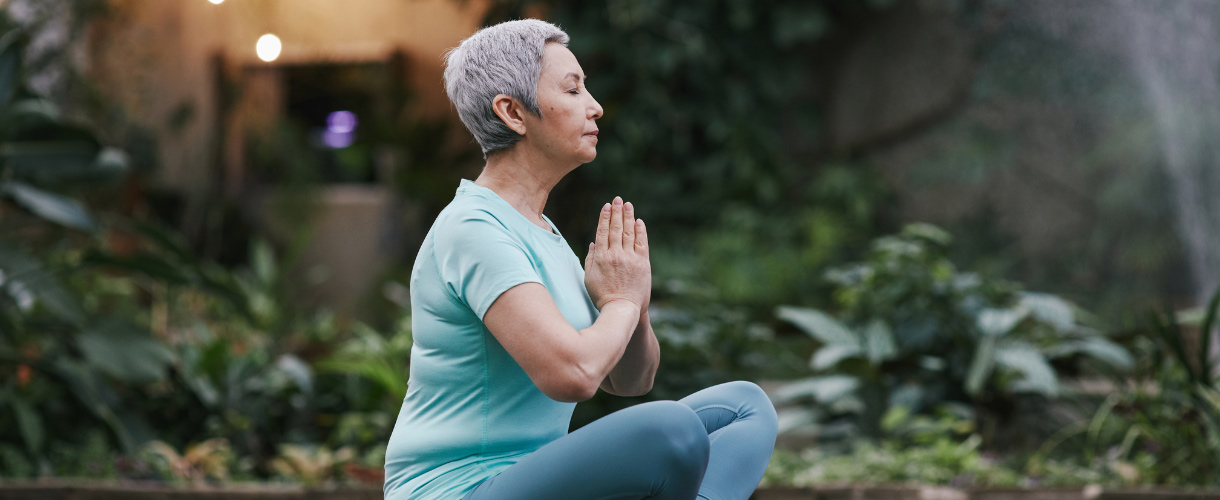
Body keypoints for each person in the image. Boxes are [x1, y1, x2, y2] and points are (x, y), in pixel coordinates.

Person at [383, 19, 779, 500]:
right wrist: (621, 303)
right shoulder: (473, 230)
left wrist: (635, 302)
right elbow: (571, 375)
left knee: (745, 407)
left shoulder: (542, 232)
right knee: (670, 430)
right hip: (459, 489)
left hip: (528, 478)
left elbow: (630, 380)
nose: (596, 107)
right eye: (573, 90)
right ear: (512, 112)